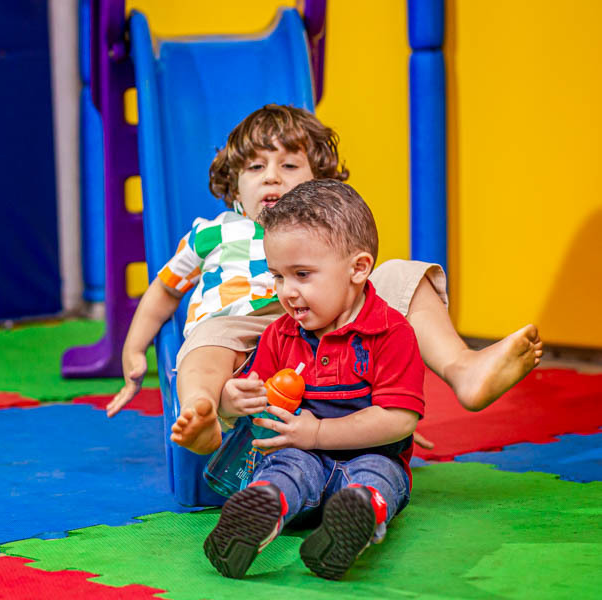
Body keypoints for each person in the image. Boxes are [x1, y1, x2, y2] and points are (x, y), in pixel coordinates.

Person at [106, 105, 542, 456]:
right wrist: (132, 348)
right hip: (243, 333)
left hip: (322, 329)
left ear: (318, 184)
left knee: (398, 274)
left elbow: (358, 290)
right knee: (206, 337)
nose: (272, 175)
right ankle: (204, 410)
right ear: (235, 190)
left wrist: (382, 409)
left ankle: (462, 368)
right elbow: (164, 290)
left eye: (289, 165)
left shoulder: (325, 231)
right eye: (256, 167)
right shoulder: (211, 231)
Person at [204, 179, 422, 581]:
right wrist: (234, 400)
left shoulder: (391, 333)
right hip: (299, 455)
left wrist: (318, 432)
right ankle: (265, 509)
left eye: (302, 274)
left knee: (379, 476)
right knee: (286, 466)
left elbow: (399, 419)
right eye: (278, 276)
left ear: (358, 269)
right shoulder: (280, 334)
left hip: (372, 454)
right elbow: (259, 405)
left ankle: (357, 515)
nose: (287, 292)